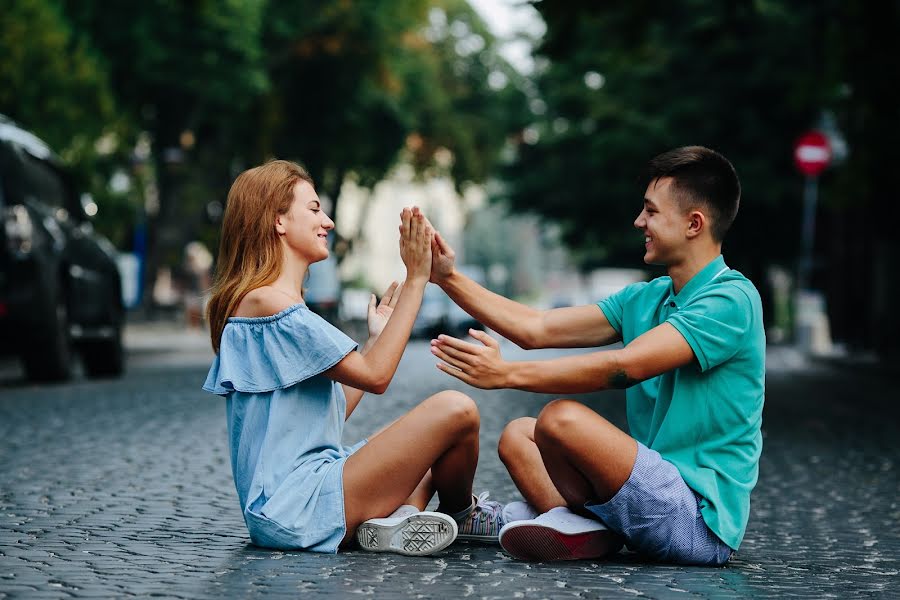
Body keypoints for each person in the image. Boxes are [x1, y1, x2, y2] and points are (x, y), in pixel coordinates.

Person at [428, 146, 764, 566]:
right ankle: (588, 527)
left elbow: (626, 366)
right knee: (519, 435)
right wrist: (448, 278)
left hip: (697, 520)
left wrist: (507, 374)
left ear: (694, 223)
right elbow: (537, 328)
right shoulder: (648, 297)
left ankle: (574, 520)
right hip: (648, 489)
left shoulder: (732, 299)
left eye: (651, 211)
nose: (639, 222)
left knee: (560, 419)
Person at [202, 160, 504, 556]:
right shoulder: (270, 304)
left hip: (297, 501)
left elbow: (329, 411)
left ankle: (392, 522)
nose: (327, 222)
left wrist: (377, 337)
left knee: (433, 455)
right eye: (313, 209)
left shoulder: (268, 305)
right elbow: (377, 377)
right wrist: (416, 277)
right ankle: (463, 515)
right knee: (457, 410)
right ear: (278, 221)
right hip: (298, 507)